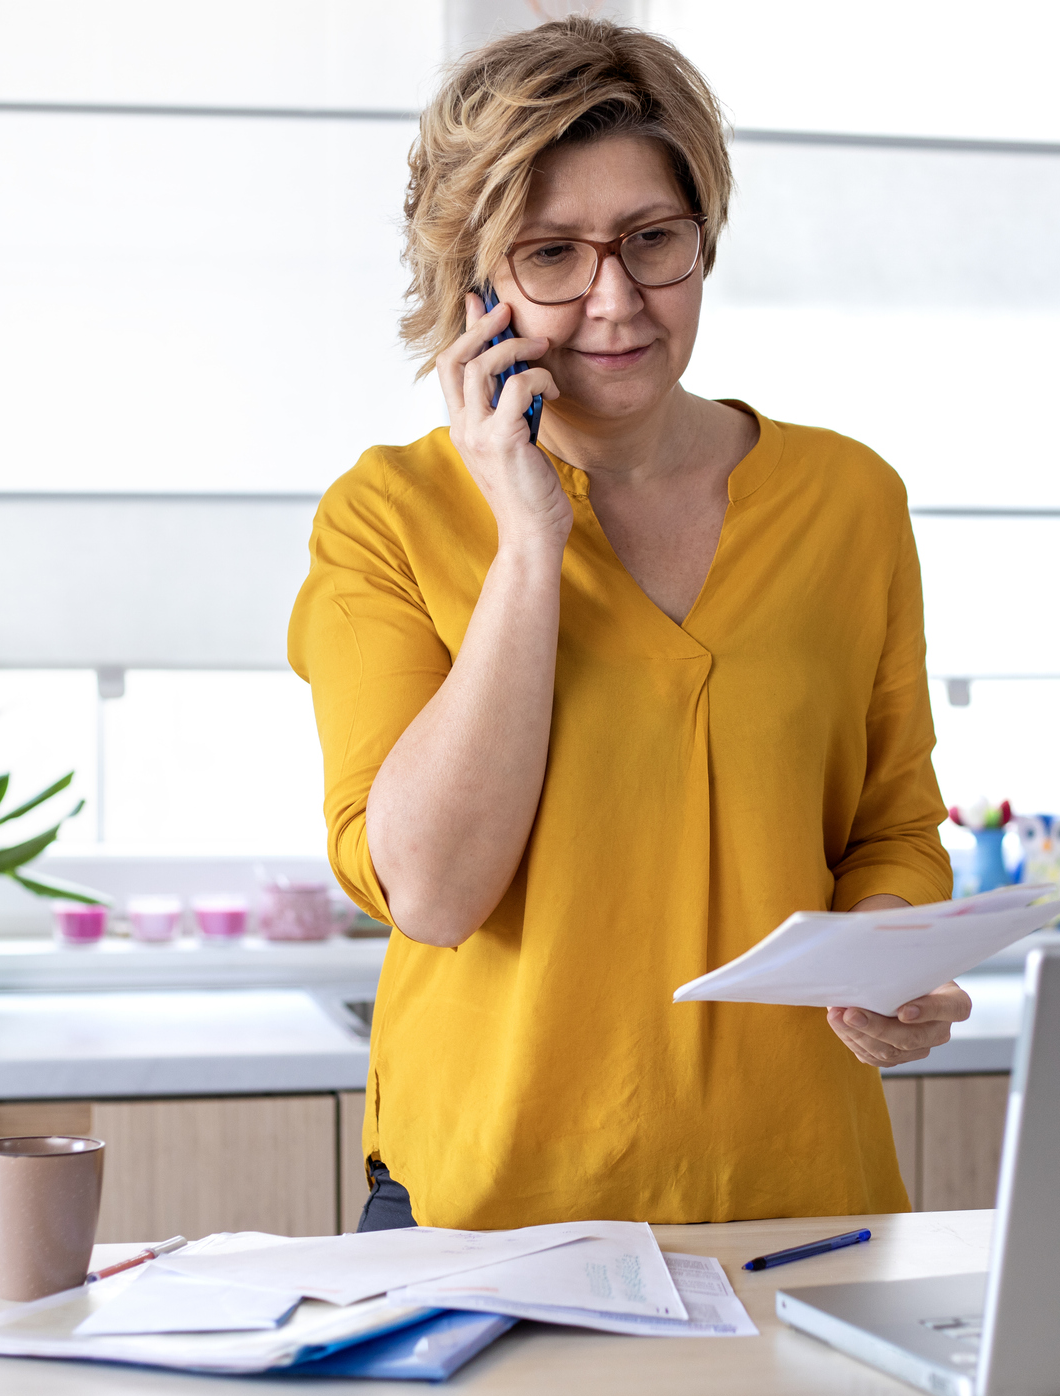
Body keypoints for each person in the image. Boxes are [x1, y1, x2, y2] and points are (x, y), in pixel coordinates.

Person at [288, 16, 968, 1232]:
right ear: (474, 284)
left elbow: (893, 830)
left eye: (653, 241)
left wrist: (887, 955)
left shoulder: (849, 500)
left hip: (801, 1205)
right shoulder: (387, 520)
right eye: (552, 254)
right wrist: (530, 542)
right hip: (488, 1216)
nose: (616, 302)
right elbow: (433, 891)